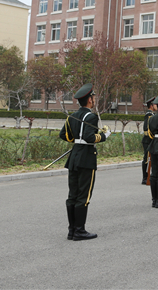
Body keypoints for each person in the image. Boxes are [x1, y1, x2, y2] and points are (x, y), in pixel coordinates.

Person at [59, 83, 111, 240]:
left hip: (74, 156)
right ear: (89, 100)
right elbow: (89, 137)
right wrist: (104, 135)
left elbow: (64, 135)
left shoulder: (72, 116)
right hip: (86, 158)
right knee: (84, 196)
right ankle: (79, 231)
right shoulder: (91, 117)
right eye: (93, 97)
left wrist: (77, 141)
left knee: (72, 195)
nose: (94, 100)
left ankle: (72, 230)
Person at [141, 97, 155, 185]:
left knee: (150, 159)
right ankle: (145, 178)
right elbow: (146, 130)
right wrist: (153, 137)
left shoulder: (152, 114)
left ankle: (149, 176)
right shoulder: (149, 115)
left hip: (150, 141)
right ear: (151, 106)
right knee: (146, 159)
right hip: (148, 141)